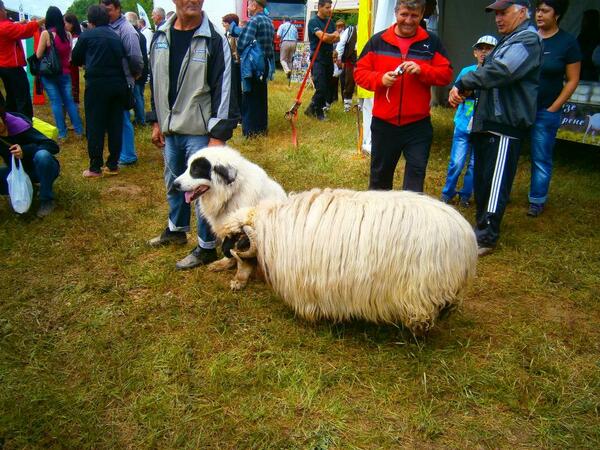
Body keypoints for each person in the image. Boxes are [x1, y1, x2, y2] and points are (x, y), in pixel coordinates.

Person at [147, 0, 239, 269]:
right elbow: (155, 81)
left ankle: (206, 246)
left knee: (203, 190)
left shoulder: (214, 38)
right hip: (170, 130)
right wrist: (156, 121)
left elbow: (225, 88)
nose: (194, 1)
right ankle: (175, 230)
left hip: (200, 132)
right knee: (174, 182)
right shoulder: (160, 36)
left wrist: (218, 135)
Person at [449, 0, 543, 256]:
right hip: (489, 123)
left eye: (504, 12)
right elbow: (491, 77)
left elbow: (501, 72)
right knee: (482, 180)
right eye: (496, 14)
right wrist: (467, 90)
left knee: (495, 183)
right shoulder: (509, 40)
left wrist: (463, 81)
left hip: (505, 125)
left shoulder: (526, 40)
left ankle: (487, 236)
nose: (498, 18)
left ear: (523, 12)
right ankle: (481, 227)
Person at [355, 0, 452, 193]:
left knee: (415, 181)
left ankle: (410, 221)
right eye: (404, 14)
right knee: (379, 181)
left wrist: (422, 70)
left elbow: (446, 74)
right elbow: (359, 73)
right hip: (385, 124)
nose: (408, 20)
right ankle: (380, 220)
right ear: (396, 12)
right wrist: (379, 79)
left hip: (418, 125)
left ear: (422, 14)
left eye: (414, 16)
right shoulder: (378, 41)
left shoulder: (431, 42)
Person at [527, 0, 581, 217]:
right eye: (538, 10)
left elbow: (572, 79)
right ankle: (502, 193)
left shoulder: (567, 43)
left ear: (556, 15)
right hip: (520, 108)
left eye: (545, 11)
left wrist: (554, 107)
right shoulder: (527, 38)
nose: (539, 15)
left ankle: (537, 200)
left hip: (545, 110)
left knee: (541, 155)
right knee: (510, 152)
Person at [72, 4, 128, 178]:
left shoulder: (87, 35)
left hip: (96, 85)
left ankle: (95, 167)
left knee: (95, 125)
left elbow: (75, 58)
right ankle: (112, 165)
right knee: (115, 124)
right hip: (117, 84)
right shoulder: (115, 36)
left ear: (90, 20)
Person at [441, 35, 497, 207]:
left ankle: (466, 195)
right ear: (475, 52)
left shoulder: (496, 75)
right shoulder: (467, 72)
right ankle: (447, 193)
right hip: (463, 125)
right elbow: (455, 93)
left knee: (474, 165)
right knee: (456, 162)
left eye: (489, 48)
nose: (484, 52)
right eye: (481, 48)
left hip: (483, 128)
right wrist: (459, 96)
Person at [0, 92, 60, 217]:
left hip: (38, 169)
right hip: (16, 172)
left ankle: (47, 199)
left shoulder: (18, 125)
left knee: (43, 155)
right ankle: (28, 190)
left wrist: (24, 151)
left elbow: (52, 145)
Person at [101, 0, 143, 166]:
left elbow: (135, 57)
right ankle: (123, 152)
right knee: (118, 117)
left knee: (123, 118)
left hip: (123, 80)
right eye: (103, 10)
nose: (106, 13)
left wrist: (133, 74)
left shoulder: (126, 29)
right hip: (114, 81)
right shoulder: (109, 27)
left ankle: (128, 155)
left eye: (109, 10)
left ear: (118, 9)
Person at [35, 6, 84, 141]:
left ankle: (62, 133)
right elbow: (69, 55)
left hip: (50, 74)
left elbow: (38, 54)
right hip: (65, 72)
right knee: (69, 101)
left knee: (56, 102)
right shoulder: (67, 35)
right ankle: (79, 129)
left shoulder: (46, 34)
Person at [235, 0, 275, 137]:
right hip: (264, 64)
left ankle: (250, 132)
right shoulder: (269, 21)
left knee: (249, 98)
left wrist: (239, 52)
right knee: (261, 98)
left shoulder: (254, 21)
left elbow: (242, 42)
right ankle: (261, 129)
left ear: (255, 5)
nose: (248, 7)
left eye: (250, 3)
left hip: (252, 65)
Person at [0, 0, 44, 118]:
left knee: (11, 97)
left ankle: (12, 123)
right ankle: (25, 126)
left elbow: (13, 27)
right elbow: (25, 31)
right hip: (12, 68)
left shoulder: (5, 26)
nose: (5, 11)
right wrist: (43, 20)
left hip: (3, 67)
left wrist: (20, 23)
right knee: (22, 98)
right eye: (4, 9)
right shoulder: (4, 26)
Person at [125, 11, 149, 127]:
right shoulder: (140, 34)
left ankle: (141, 119)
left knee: (137, 95)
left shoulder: (133, 34)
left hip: (137, 70)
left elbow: (134, 56)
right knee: (140, 94)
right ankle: (141, 117)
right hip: (142, 69)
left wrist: (134, 72)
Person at [336, 21, 357, 112]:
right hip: (351, 61)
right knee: (349, 82)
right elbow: (341, 44)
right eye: (338, 26)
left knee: (364, 84)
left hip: (363, 61)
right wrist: (339, 58)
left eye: (341, 26)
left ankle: (361, 105)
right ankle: (347, 106)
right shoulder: (351, 30)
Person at [63, 13, 82, 104]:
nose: (63, 25)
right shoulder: (65, 36)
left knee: (72, 90)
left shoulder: (76, 38)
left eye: (65, 23)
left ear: (72, 24)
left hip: (71, 69)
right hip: (66, 69)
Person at [577, 9, 599, 82]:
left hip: (588, 68)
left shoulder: (594, 35)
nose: (583, 22)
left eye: (585, 19)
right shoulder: (582, 35)